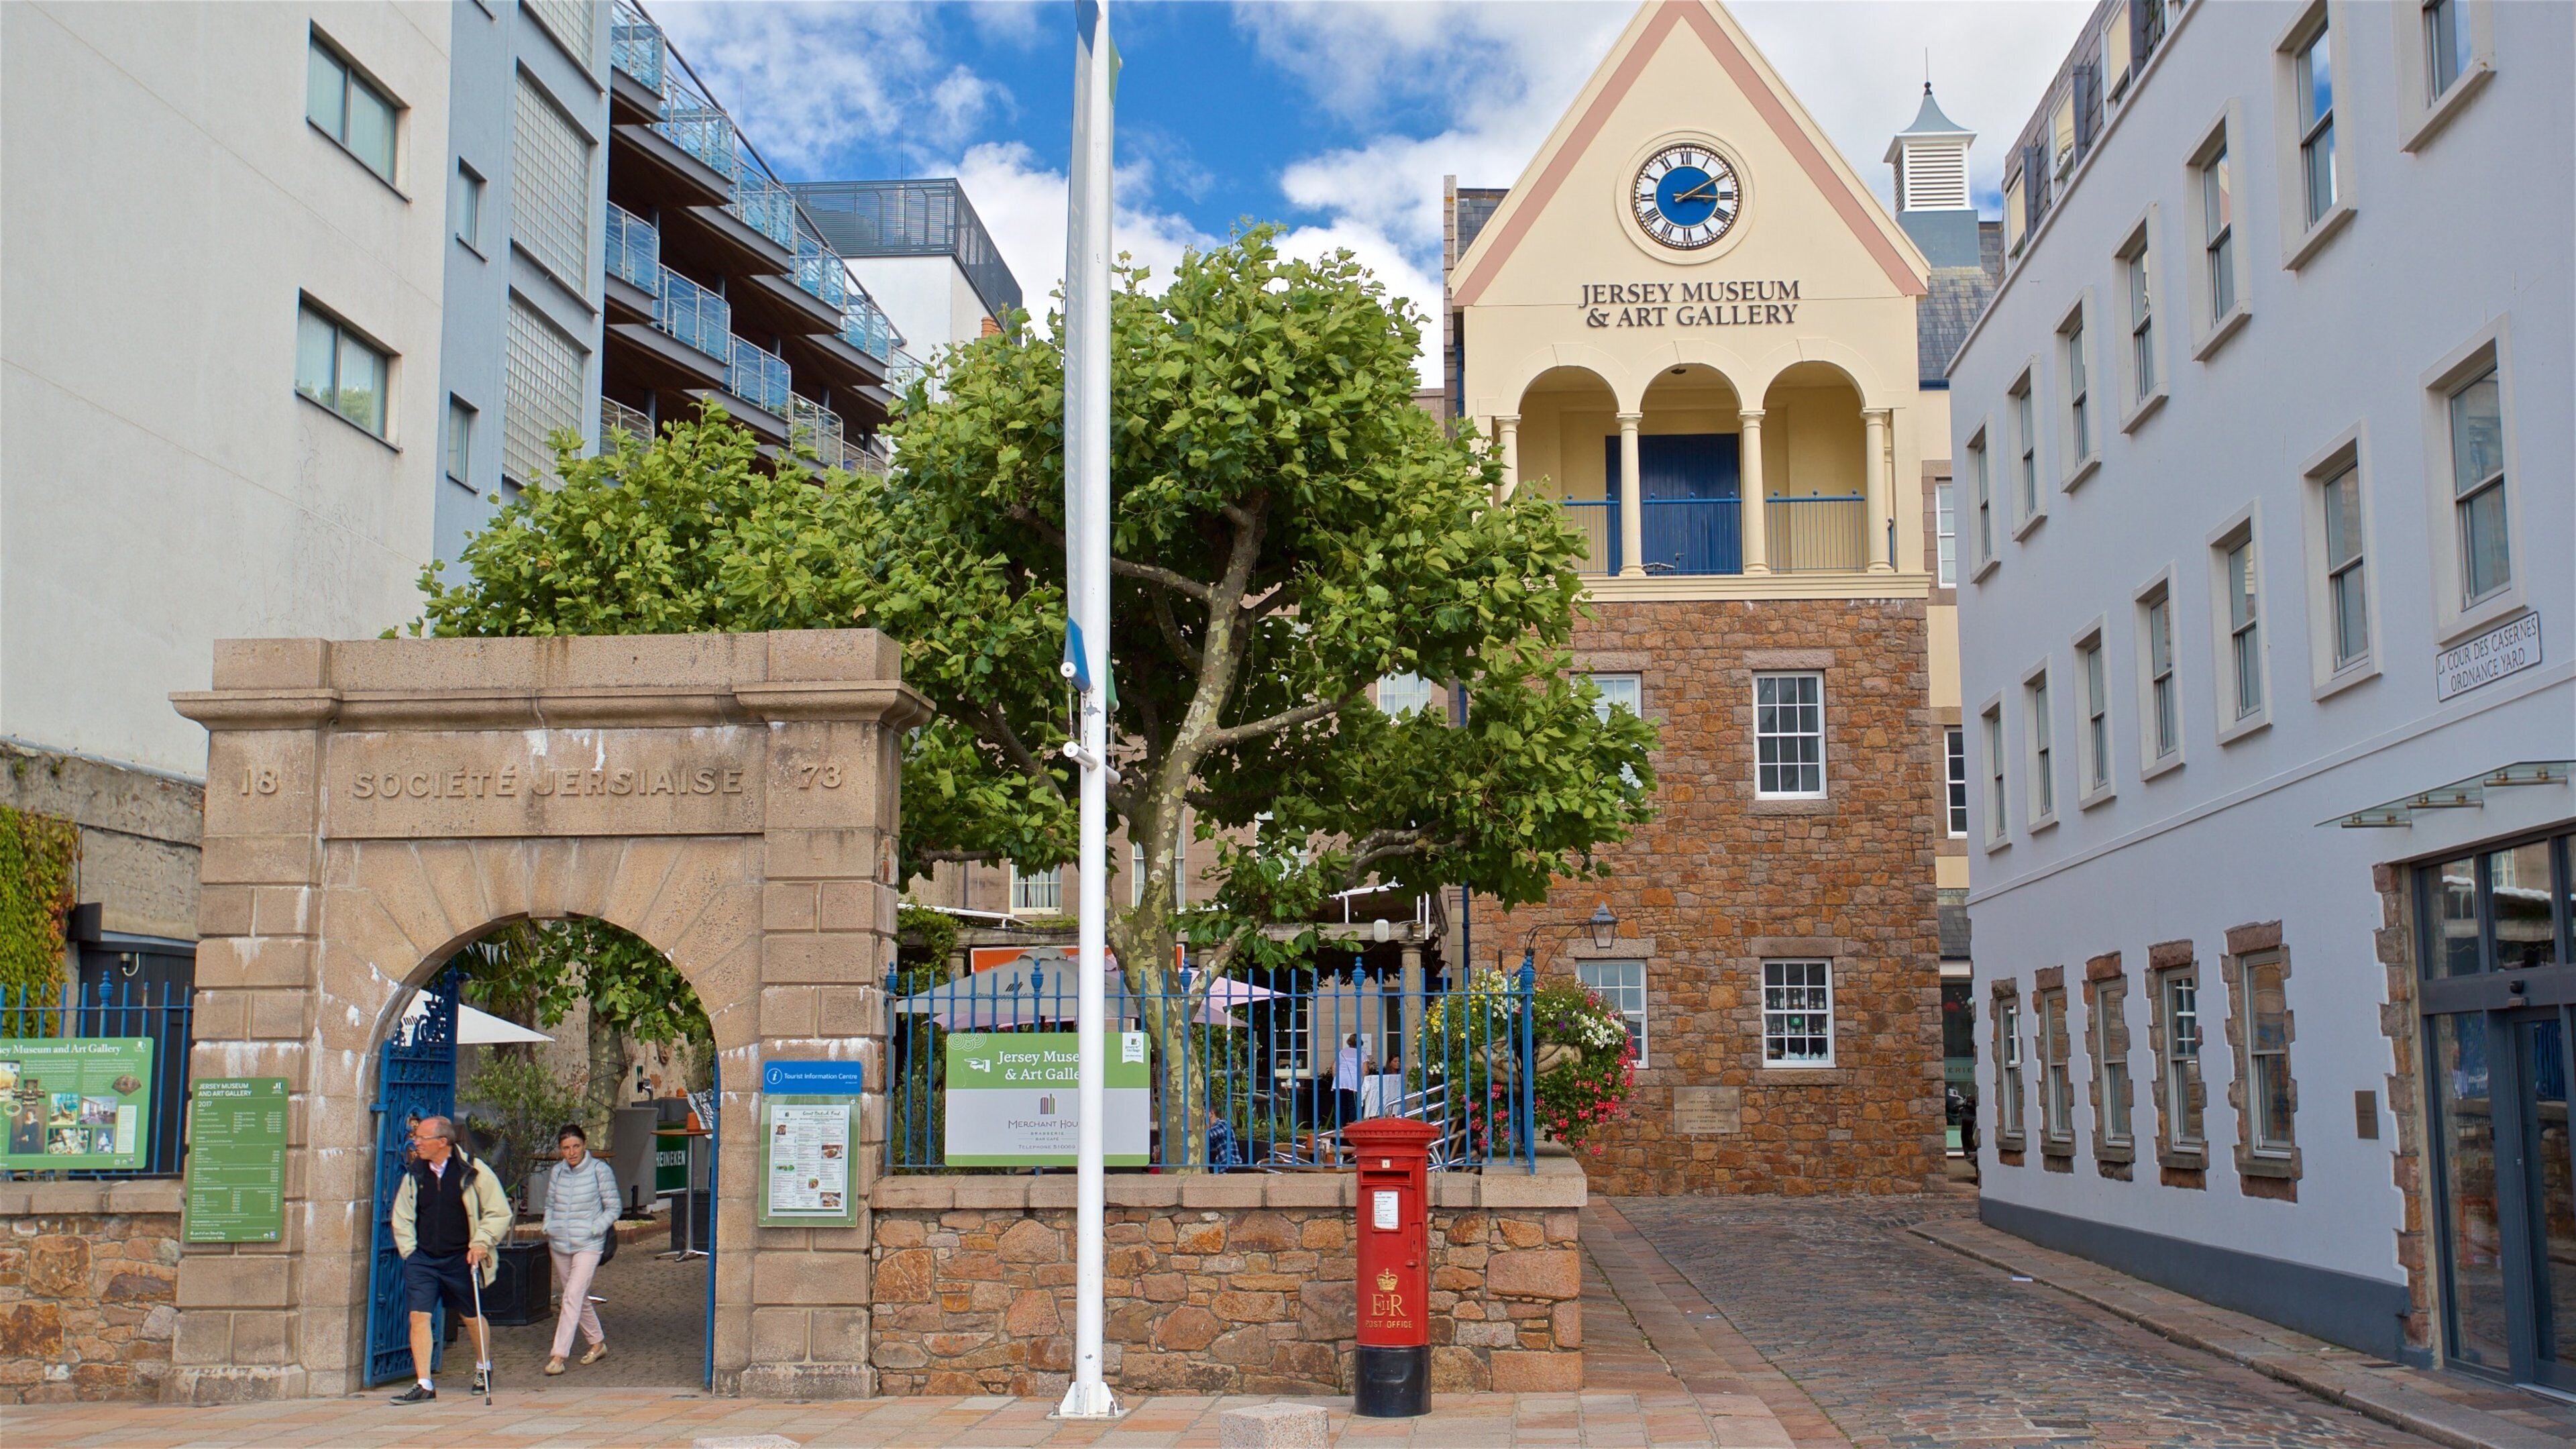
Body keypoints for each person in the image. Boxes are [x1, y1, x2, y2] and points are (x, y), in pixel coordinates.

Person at [388, 1114, 512, 1403]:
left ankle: (484, 1366)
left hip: (462, 1258)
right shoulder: (414, 1175)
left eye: (422, 1138)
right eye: (416, 1137)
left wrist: (481, 1243)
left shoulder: (473, 1171)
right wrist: (410, 1252)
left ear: (442, 1142)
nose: (415, 1142)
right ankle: (424, 1383)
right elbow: (402, 1216)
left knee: (470, 1317)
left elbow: (499, 1211)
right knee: (418, 1316)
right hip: (424, 1259)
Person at [540, 1121, 619, 1375]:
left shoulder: (599, 1170)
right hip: (560, 1243)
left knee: (572, 1296)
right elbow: (550, 1204)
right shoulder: (558, 1173)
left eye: (576, 1146)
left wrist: (595, 1228)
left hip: (589, 1244)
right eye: (566, 1148)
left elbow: (614, 1207)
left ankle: (558, 1355)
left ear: (584, 1145)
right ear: (560, 1150)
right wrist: (548, 1225)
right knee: (578, 1296)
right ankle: (597, 1343)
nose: (572, 1152)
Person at [1334, 1033, 1363, 1127]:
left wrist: (1337, 1079)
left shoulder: (1341, 1053)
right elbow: (1365, 1069)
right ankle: (1352, 1127)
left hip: (1340, 1083)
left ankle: (1340, 1127)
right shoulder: (1361, 1053)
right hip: (1354, 1083)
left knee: (1342, 1106)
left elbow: (1334, 1067)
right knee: (1353, 1106)